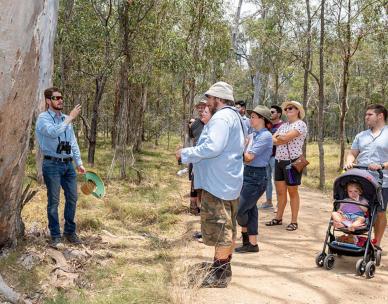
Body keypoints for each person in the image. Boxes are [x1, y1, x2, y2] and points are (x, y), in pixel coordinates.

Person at [176, 81, 245, 288]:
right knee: (228, 227)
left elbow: (212, 147)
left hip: (218, 185)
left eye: (209, 98)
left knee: (220, 228)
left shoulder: (222, 118)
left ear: (219, 99)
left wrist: (185, 154)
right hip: (228, 182)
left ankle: (220, 275)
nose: (207, 102)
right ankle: (221, 266)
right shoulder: (235, 117)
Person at [36, 87, 86, 247]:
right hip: (52, 164)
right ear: (48, 101)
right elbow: (52, 132)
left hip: (68, 165)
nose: (60, 100)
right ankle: (56, 236)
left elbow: (72, 142)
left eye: (61, 97)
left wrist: (79, 162)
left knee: (72, 198)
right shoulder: (43, 118)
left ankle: (70, 232)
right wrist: (69, 118)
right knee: (54, 201)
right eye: (56, 98)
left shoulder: (66, 119)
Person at [344, 104, 388, 248]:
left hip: (382, 181)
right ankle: (355, 239)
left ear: (380, 116)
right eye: (366, 114)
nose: (366, 117)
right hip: (361, 180)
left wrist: (381, 165)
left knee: (380, 212)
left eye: (369, 114)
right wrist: (349, 161)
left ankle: (377, 243)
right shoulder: (361, 135)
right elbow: (352, 153)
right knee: (356, 207)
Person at [235, 106, 273, 253]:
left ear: (262, 119)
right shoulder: (253, 135)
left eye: (253, 116)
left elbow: (249, 158)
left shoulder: (265, 136)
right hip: (247, 174)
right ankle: (251, 243)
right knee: (250, 210)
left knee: (240, 211)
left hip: (257, 177)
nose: (251, 119)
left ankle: (246, 240)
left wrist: (235, 149)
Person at [266, 100, 307, 231]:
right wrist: (279, 138)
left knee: (293, 191)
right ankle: (278, 218)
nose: (288, 110)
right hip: (279, 161)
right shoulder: (283, 125)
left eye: (291, 108)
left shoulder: (300, 124)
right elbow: (273, 140)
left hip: (292, 162)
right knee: (280, 192)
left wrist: (279, 138)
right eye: (287, 109)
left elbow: (284, 138)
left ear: (298, 111)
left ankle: (294, 221)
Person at [260, 105, 283, 210]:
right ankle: (269, 202)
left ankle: (279, 204)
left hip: (276, 157)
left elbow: (278, 141)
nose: (271, 114)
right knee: (267, 180)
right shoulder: (267, 125)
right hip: (266, 157)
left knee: (277, 181)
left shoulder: (282, 126)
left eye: (273, 112)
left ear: (278, 114)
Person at [188, 100, 207, 215]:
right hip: (196, 158)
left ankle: (204, 210)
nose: (201, 110)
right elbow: (192, 138)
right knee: (195, 183)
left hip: (209, 159)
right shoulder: (194, 124)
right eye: (199, 107)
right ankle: (196, 208)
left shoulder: (214, 122)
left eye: (203, 107)